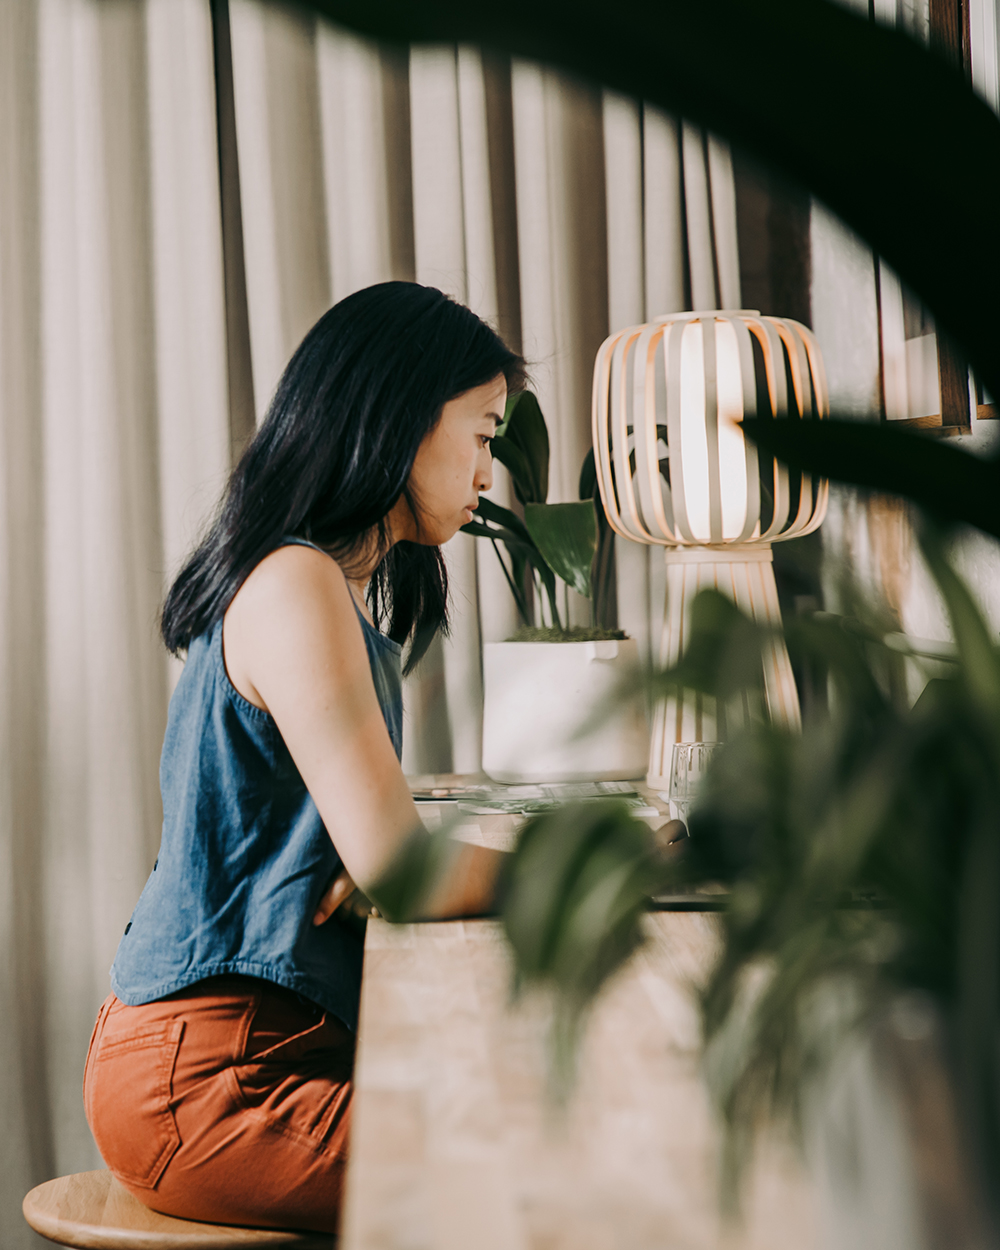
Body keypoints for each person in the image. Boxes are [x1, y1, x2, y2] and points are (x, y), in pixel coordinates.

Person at [82, 282, 525, 1234]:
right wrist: (603, 867)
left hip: (231, 1053)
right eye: (484, 433)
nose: (490, 470)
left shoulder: (315, 584)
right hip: (208, 1081)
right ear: (401, 419)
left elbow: (371, 857)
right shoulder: (295, 584)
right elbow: (403, 871)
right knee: (539, 1159)